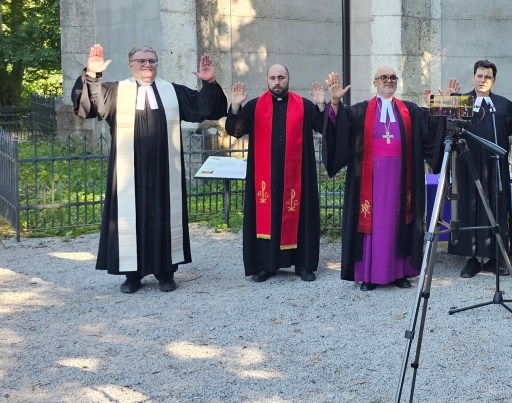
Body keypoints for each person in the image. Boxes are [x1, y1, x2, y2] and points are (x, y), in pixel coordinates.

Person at [72, 44, 227, 293]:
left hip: (165, 171)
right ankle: (132, 276)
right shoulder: (116, 91)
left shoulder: (172, 91)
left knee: (163, 216)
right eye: (141, 60)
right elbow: (87, 107)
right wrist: (92, 74)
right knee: (129, 219)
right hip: (128, 173)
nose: (147, 65)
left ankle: (165, 273)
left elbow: (206, 109)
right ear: (130, 64)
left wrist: (209, 84)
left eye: (152, 61)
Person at [323, 68, 443, 291]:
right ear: (375, 82)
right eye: (384, 77)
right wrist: (335, 102)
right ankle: (368, 275)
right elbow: (340, 128)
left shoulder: (409, 110)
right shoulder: (361, 110)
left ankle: (399, 273)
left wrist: (437, 107)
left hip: (401, 178)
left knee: (399, 221)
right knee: (372, 224)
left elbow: (430, 130)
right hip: (370, 180)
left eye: (393, 77)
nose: (389, 81)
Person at [226, 65, 328, 283]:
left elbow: (323, 127)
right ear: (267, 80)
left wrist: (321, 106)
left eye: (281, 77)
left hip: (299, 174)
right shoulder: (254, 106)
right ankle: (265, 265)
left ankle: (303, 264)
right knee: (266, 215)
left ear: (289, 78)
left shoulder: (304, 105)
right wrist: (235, 107)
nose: (277, 81)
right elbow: (235, 131)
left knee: (302, 216)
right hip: (265, 177)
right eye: (272, 77)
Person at [443, 60, 512, 279]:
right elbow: (445, 129)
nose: (483, 80)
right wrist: (447, 102)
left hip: (495, 167)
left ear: (493, 80)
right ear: (473, 77)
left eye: (487, 77)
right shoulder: (461, 101)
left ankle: (495, 257)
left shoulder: (504, 105)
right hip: (467, 166)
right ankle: (472, 259)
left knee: (496, 208)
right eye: (479, 75)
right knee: (470, 209)